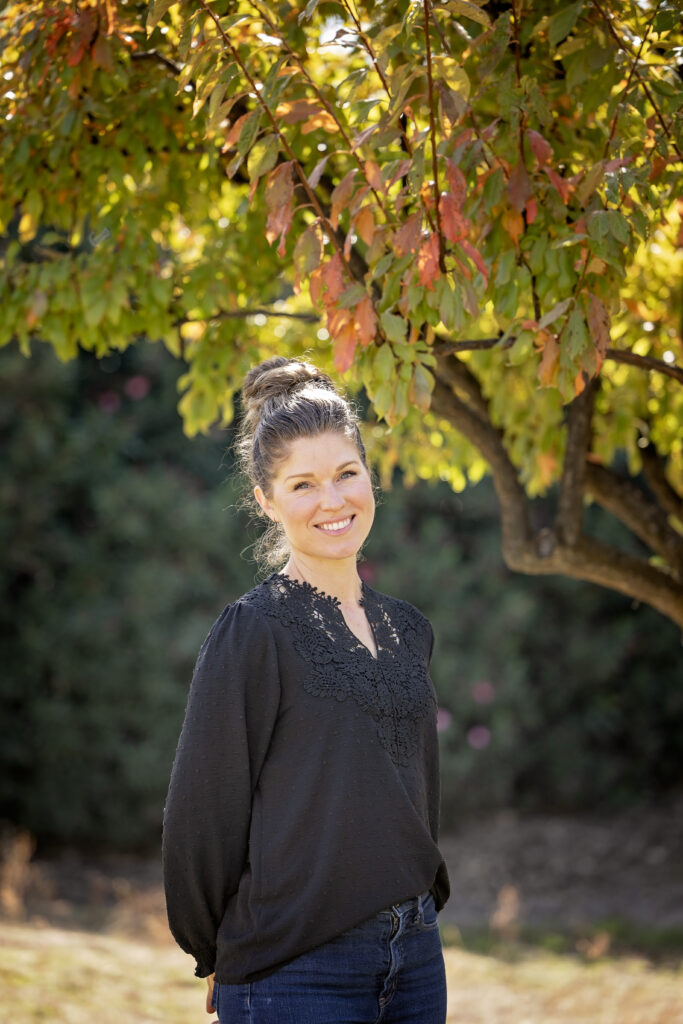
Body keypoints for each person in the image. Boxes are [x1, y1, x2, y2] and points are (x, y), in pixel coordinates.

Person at [162, 356, 450, 1024]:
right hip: (296, 968)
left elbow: (415, 793)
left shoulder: (407, 629)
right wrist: (217, 951)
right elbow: (203, 812)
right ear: (265, 500)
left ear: (369, 475)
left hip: (417, 959)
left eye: (347, 473)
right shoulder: (252, 632)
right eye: (303, 485)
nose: (333, 500)